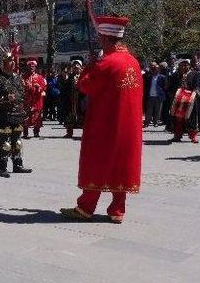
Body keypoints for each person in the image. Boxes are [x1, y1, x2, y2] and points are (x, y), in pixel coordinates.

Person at [61, 15, 143, 224]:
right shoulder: (133, 62)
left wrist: (89, 66)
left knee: (96, 161)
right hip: (129, 125)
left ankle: (86, 207)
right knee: (121, 163)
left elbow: (84, 86)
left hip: (105, 124)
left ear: (106, 39)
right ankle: (117, 210)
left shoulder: (106, 63)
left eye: (101, 38)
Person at [0, 53, 32, 178]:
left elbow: (22, 94)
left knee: (17, 141)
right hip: (4, 114)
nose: (13, 63)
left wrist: (21, 102)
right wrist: (5, 98)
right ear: (4, 63)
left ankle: (18, 165)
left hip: (17, 113)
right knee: (5, 142)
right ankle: (3, 168)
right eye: (9, 61)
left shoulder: (17, 77)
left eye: (13, 61)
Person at [169, 59, 200, 143]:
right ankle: (177, 135)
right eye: (181, 65)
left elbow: (198, 85)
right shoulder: (175, 75)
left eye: (185, 65)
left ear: (189, 65)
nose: (183, 67)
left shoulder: (195, 74)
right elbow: (171, 86)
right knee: (177, 118)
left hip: (190, 100)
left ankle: (193, 136)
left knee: (191, 118)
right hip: (178, 100)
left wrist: (196, 90)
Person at [22, 59, 47, 138]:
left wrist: (38, 87)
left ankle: (36, 132)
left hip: (37, 100)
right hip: (27, 100)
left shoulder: (40, 77)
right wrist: (26, 86)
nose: (31, 67)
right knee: (25, 117)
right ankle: (25, 132)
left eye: (33, 66)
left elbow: (43, 87)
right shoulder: (23, 77)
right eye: (30, 66)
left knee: (37, 117)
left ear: (35, 67)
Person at [143, 62, 167, 127]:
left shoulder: (162, 77)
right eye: (154, 69)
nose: (155, 70)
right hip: (150, 95)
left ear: (159, 70)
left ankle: (155, 122)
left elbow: (165, 86)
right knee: (149, 110)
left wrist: (162, 93)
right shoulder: (150, 77)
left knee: (158, 110)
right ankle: (146, 122)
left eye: (156, 69)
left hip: (158, 96)